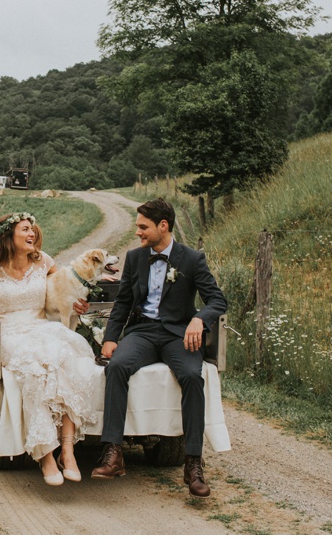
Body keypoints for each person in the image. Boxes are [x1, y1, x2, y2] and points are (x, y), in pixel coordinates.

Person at [91, 198, 227, 498]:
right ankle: (113, 453)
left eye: (143, 227)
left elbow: (218, 301)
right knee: (116, 367)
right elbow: (123, 303)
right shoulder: (135, 258)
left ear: (162, 226)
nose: (138, 232)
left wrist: (199, 320)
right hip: (142, 332)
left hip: (179, 334)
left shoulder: (192, 259)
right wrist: (112, 337)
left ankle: (193, 464)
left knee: (193, 377)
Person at [0, 212, 99, 486]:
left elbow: (65, 290)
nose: (32, 234)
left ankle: (67, 449)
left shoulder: (44, 262)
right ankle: (45, 455)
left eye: (32, 229)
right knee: (34, 371)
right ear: (8, 236)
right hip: (10, 333)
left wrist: (79, 304)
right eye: (25, 229)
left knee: (66, 361)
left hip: (42, 327)